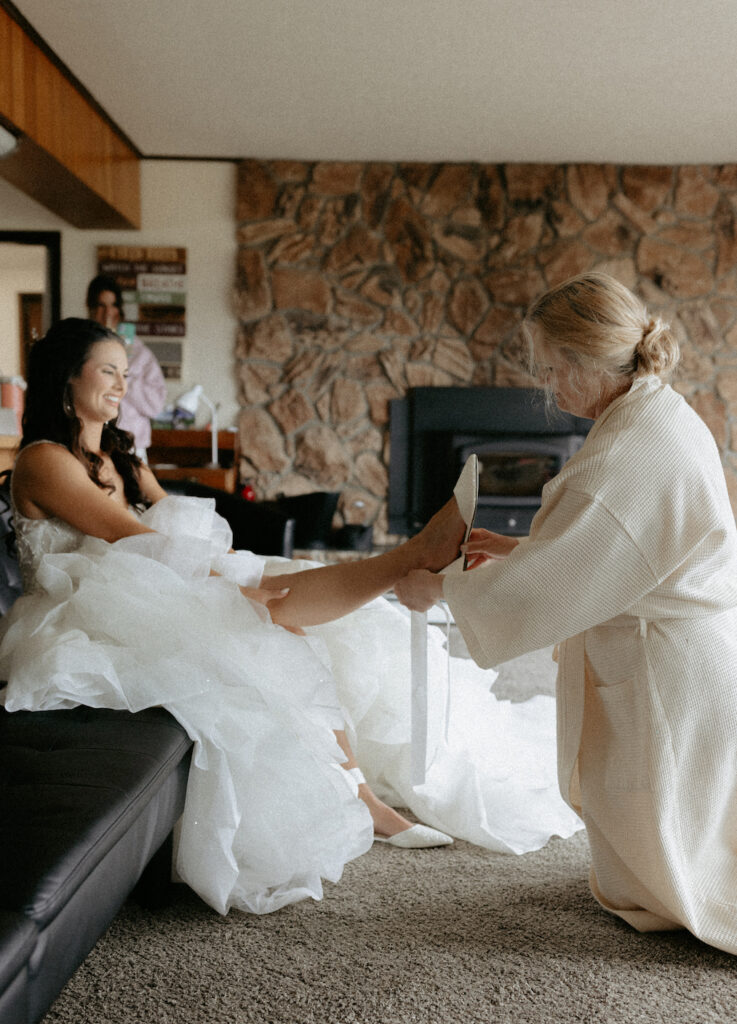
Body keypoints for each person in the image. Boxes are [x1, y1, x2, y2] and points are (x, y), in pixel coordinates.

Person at [0, 319, 581, 916]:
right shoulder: (44, 462)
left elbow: (172, 520)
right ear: (67, 379)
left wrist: (233, 563)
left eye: (126, 374)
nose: (122, 385)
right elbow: (134, 539)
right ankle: (408, 566)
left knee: (284, 596)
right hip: (92, 607)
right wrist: (230, 575)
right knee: (270, 610)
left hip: (141, 578)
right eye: (107, 372)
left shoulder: (117, 455)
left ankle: (404, 577)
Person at [395, 271, 737, 955]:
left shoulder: (620, 452)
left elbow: (557, 579)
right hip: (687, 640)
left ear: (587, 362)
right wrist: (530, 548)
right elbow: (625, 548)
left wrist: (439, 590)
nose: (550, 388)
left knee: (661, 822)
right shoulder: (655, 410)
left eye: (554, 369)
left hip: (666, 662)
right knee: (656, 814)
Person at [86, 274, 167, 460]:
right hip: (91, 444)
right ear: (90, 308)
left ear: (120, 310)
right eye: (101, 306)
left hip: (130, 447)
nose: (107, 313)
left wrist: (123, 377)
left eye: (113, 305)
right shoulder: (81, 349)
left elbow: (156, 405)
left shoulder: (139, 353)